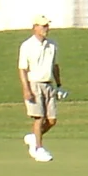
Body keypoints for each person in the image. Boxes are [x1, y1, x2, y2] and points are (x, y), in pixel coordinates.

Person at [18, 15, 63, 162]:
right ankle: (38, 148)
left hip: (48, 84)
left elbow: (55, 66)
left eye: (47, 26)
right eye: (43, 26)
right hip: (34, 83)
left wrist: (59, 85)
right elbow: (23, 69)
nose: (46, 29)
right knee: (39, 117)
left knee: (52, 120)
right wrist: (26, 89)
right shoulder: (27, 46)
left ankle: (34, 137)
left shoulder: (52, 44)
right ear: (35, 27)